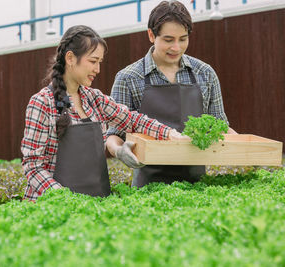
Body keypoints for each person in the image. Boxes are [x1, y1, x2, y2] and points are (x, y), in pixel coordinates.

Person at [21, 25, 188, 201]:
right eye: (93, 61)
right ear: (70, 58)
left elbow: (133, 120)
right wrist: (64, 199)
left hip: (96, 206)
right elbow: (33, 166)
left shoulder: (94, 99)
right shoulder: (42, 103)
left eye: (99, 62)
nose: (97, 69)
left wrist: (170, 133)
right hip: (53, 207)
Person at [106, 0, 237, 187]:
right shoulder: (128, 78)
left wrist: (246, 147)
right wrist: (119, 151)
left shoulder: (205, 74)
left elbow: (220, 127)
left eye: (183, 39)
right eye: (168, 40)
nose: (176, 48)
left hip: (200, 186)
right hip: (147, 187)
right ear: (151, 35)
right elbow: (114, 134)